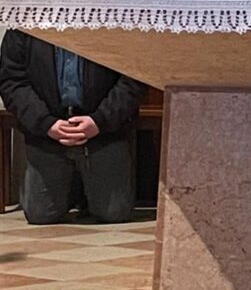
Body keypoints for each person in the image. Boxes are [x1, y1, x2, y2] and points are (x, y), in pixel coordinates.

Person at [0, 30, 147, 224]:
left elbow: (134, 78)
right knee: (40, 214)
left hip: (102, 131)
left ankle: (86, 187)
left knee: (114, 213)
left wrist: (100, 121)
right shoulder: (24, 26)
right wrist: (45, 123)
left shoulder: (116, 21)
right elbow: (12, 81)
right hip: (49, 132)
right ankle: (74, 186)